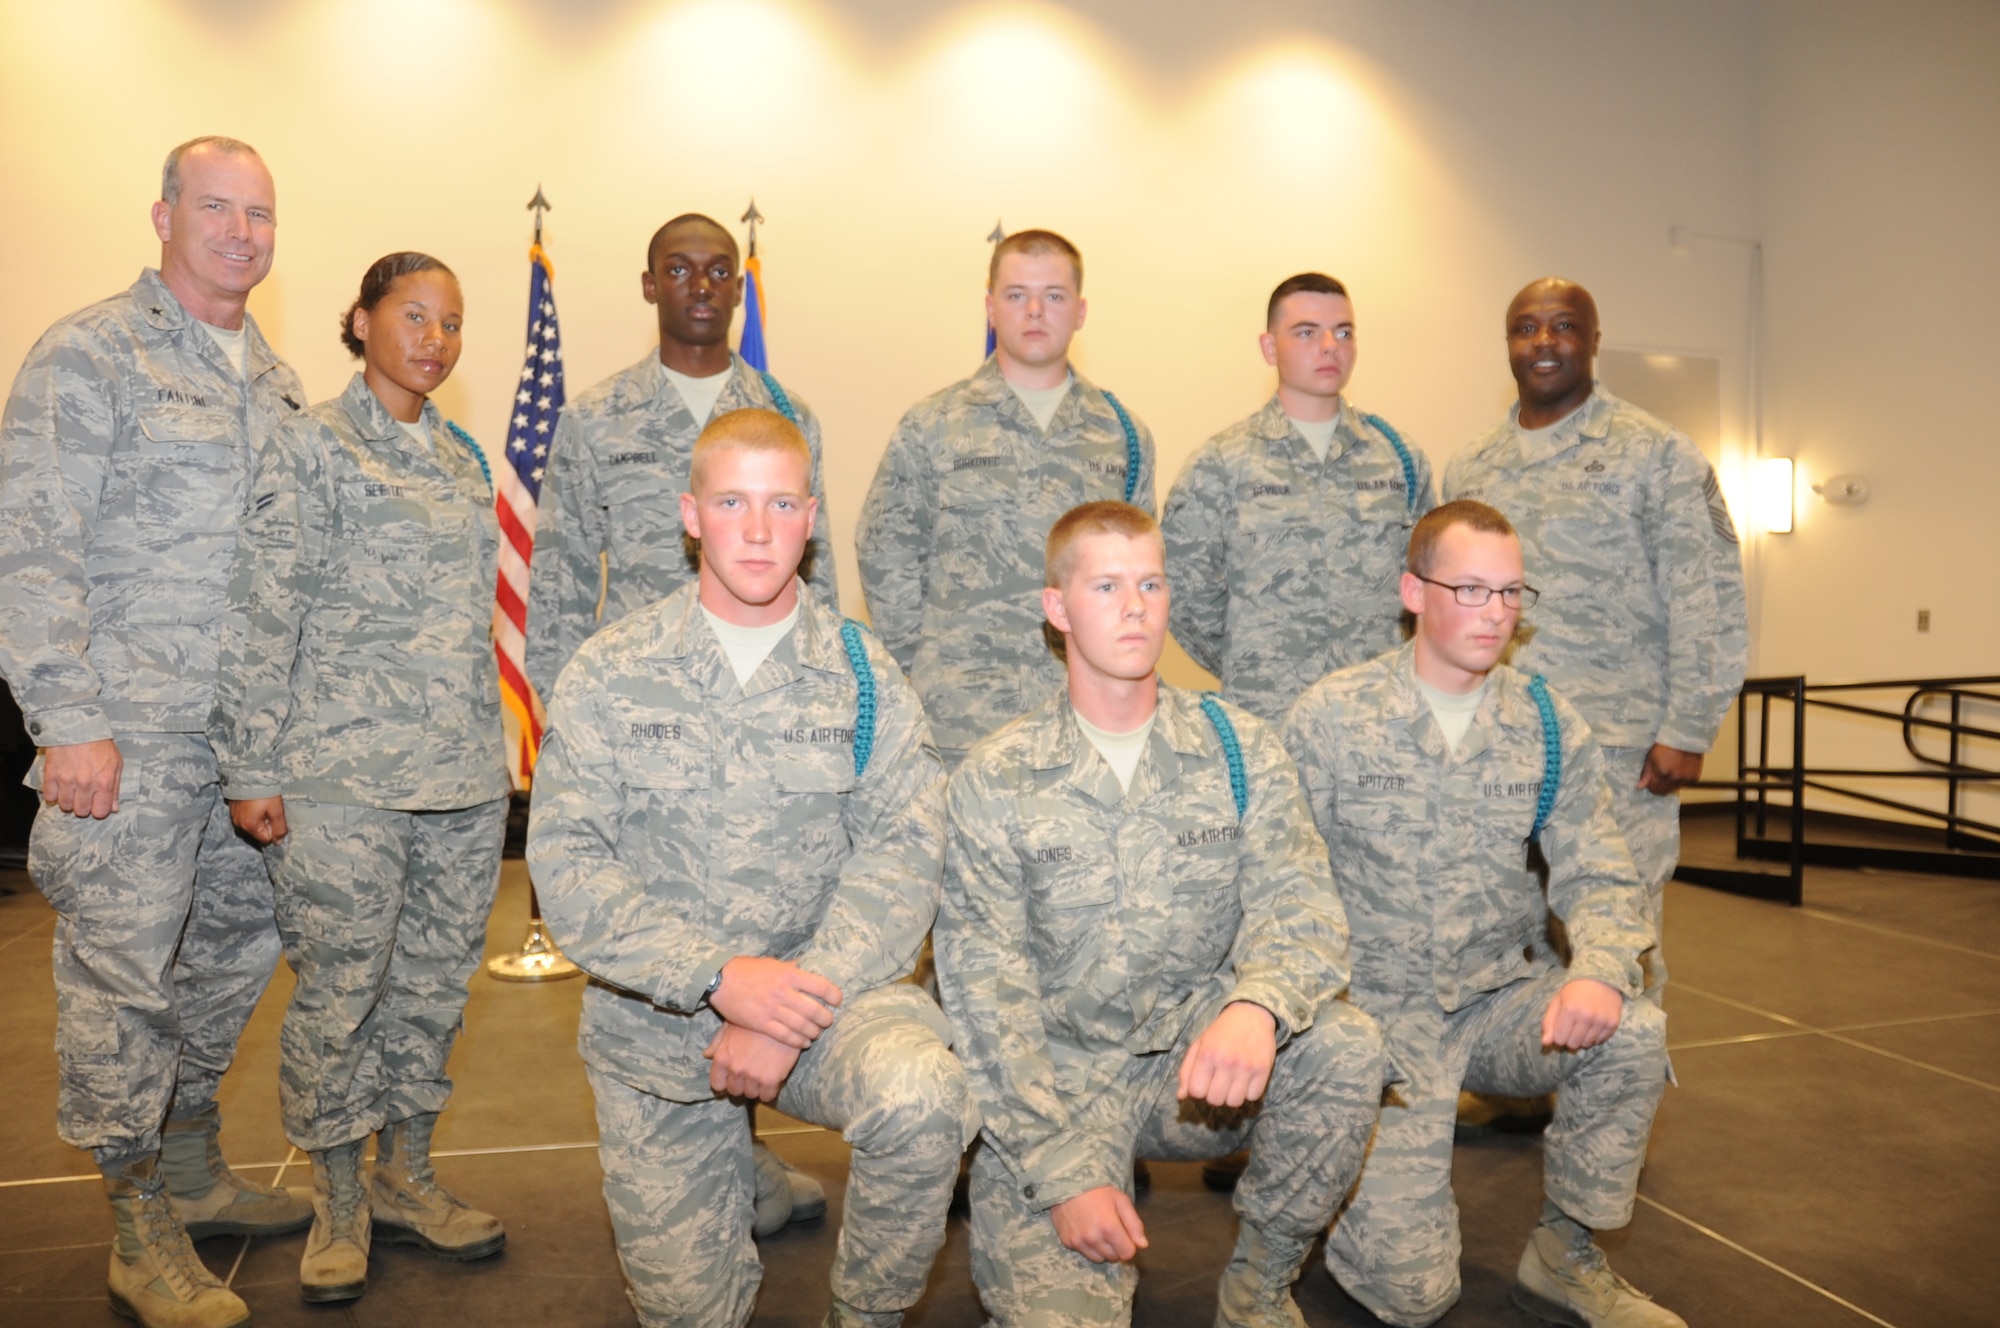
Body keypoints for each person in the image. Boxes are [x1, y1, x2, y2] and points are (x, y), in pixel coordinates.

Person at [527, 409, 971, 1328]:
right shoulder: (612, 671)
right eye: (732, 502)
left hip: (833, 1002)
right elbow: (569, 865)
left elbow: (904, 854)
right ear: (690, 515)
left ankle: (866, 1316)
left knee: (927, 1099)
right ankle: (744, 1176)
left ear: (812, 517)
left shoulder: (864, 676)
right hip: (661, 1027)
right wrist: (722, 980)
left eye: (780, 503)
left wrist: (788, 1004)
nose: (759, 530)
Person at [936, 501, 1385, 1328]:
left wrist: (1257, 1006)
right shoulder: (996, 778)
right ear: (1058, 609)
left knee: (1346, 1046)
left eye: (1151, 582)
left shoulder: (1241, 750)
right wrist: (1064, 1172)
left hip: (1201, 1068)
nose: (1136, 606)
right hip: (1058, 1080)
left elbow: (1305, 910)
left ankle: (1261, 1286)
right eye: (1107, 586)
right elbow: (983, 1003)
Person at [0, 135, 309, 1328]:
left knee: (233, 953)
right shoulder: (91, 353)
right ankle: (136, 1225)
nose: (240, 231)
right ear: (164, 215)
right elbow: (33, 545)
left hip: (242, 741)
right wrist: (67, 719)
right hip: (125, 738)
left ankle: (190, 1165)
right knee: (124, 978)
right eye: (217, 207)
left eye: (261, 214)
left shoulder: (276, 381)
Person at [1284, 500, 1679, 1328]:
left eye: (1510, 592)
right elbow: (1278, 884)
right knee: (1414, 1299)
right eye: (1470, 589)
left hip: (1500, 1001)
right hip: (1378, 1018)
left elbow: (1603, 873)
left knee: (1633, 1030)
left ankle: (1566, 1256)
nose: (1495, 613)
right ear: (1412, 592)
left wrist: (1601, 973)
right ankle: (1333, 1186)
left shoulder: (1541, 719)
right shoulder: (1332, 716)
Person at [524, 213, 838, 1228]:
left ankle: (740, 1162)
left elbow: (814, 579)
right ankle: (683, 1157)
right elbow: (565, 577)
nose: (700, 285)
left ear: (735, 287)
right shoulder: (600, 414)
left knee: (757, 936)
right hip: (643, 741)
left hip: (765, 738)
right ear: (649, 281)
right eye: (678, 268)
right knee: (660, 953)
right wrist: (560, 721)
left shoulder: (785, 412)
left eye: (718, 270)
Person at [210, 252, 511, 1303]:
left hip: (461, 777)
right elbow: (262, 608)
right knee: (342, 992)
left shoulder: (461, 456)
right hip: (339, 776)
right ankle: (339, 1193)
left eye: (452, 322)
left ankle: (407, 1174)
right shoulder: (314, 445)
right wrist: (249, 760)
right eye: (413, 314)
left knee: (431, 988)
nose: (434, 337)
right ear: (361, 320)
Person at [1443, 278, 1748, 1002]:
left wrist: (1689, 727)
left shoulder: (1658, 455)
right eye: (1526, 328)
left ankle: (1616, 1093)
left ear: (1594, 340)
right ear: (1508, 344)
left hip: (1619, 746)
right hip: (1499, 739)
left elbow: (1705, 598)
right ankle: (1518, 1082)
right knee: (1505, 927)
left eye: (1563, 326)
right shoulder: (1471, 468)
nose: (1543, 342)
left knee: (1615, 931)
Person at [857, 230, 1159, 770]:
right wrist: (927, 663)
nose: (1036, 311)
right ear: (991, 307)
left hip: (1086, 717)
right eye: (1017, 295)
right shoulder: (932, 424)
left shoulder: (1122, 434)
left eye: (1055, 296)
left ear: (1081, 311)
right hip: (959, 717)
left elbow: (1141, 570)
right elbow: (886, 551)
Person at [1162, 272, 1436, 722]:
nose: (1330, 345)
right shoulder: (1220, 464)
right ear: (1270, 348)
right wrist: (1254, 657)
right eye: (1306, 332)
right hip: (1267, 716)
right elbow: (1184, 592)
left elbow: (1431, 583)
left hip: (1381, 718)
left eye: (1343, 331)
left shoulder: (1400, 460)